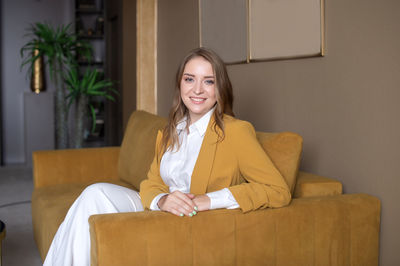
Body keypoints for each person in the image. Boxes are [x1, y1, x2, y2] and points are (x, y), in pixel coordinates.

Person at [43, 47, 291, 266]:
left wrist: (208, 200)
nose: (197, 89)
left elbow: (278, 190)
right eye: (189, 79)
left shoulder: (235, 131)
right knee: (93, 194)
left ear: (220, 88)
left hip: (187, 221)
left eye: (208, 81)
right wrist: (162, 200)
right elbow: (151, 184)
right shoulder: (170, 131)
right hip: (160, 209)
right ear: (180, 84)